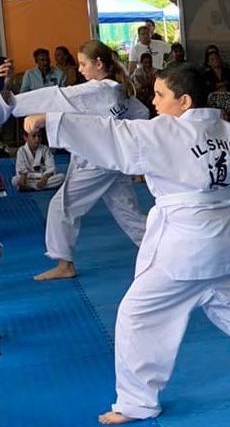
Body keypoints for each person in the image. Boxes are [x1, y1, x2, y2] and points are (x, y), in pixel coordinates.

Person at [22, 64, 230, 424]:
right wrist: (215, 205)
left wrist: (51, 121)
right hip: (225, 240)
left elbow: (112, 135)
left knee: (136, 316)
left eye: (160, 95)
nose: (153, 103)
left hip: (183, 246)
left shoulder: (166, 132)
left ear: (184, 100)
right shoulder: (228, 132)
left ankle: (137, 403)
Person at [0, 41, 150, 281]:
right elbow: (141, 114)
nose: (79, 69)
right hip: (113, 160)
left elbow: (58, 96)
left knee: (61, 206)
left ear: (99, 63)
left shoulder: (97, 90)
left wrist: (18, 103)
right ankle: (160, 250)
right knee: (127, 211)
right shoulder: (118, 90)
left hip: (96, 162)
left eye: (83, 64)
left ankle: (64, 263)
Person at [204, 46, 230, 120]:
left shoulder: (227, 71)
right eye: (212, 59)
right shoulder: (207, 74)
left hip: (228, 95)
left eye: (217, 58)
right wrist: (222, 84)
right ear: (209, 63)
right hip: (214, 97)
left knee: (229, 100)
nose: (216, 61)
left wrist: (220, 86)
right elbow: (207, 88)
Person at [131, 52, 158, 116]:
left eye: (149, 62)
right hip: (140, 96)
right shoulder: (137, 71)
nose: (148, 65)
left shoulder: (155, 70)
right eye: (145, 63)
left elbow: (155, 84)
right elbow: (141, 85)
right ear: (141, 63)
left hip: (151, 95)